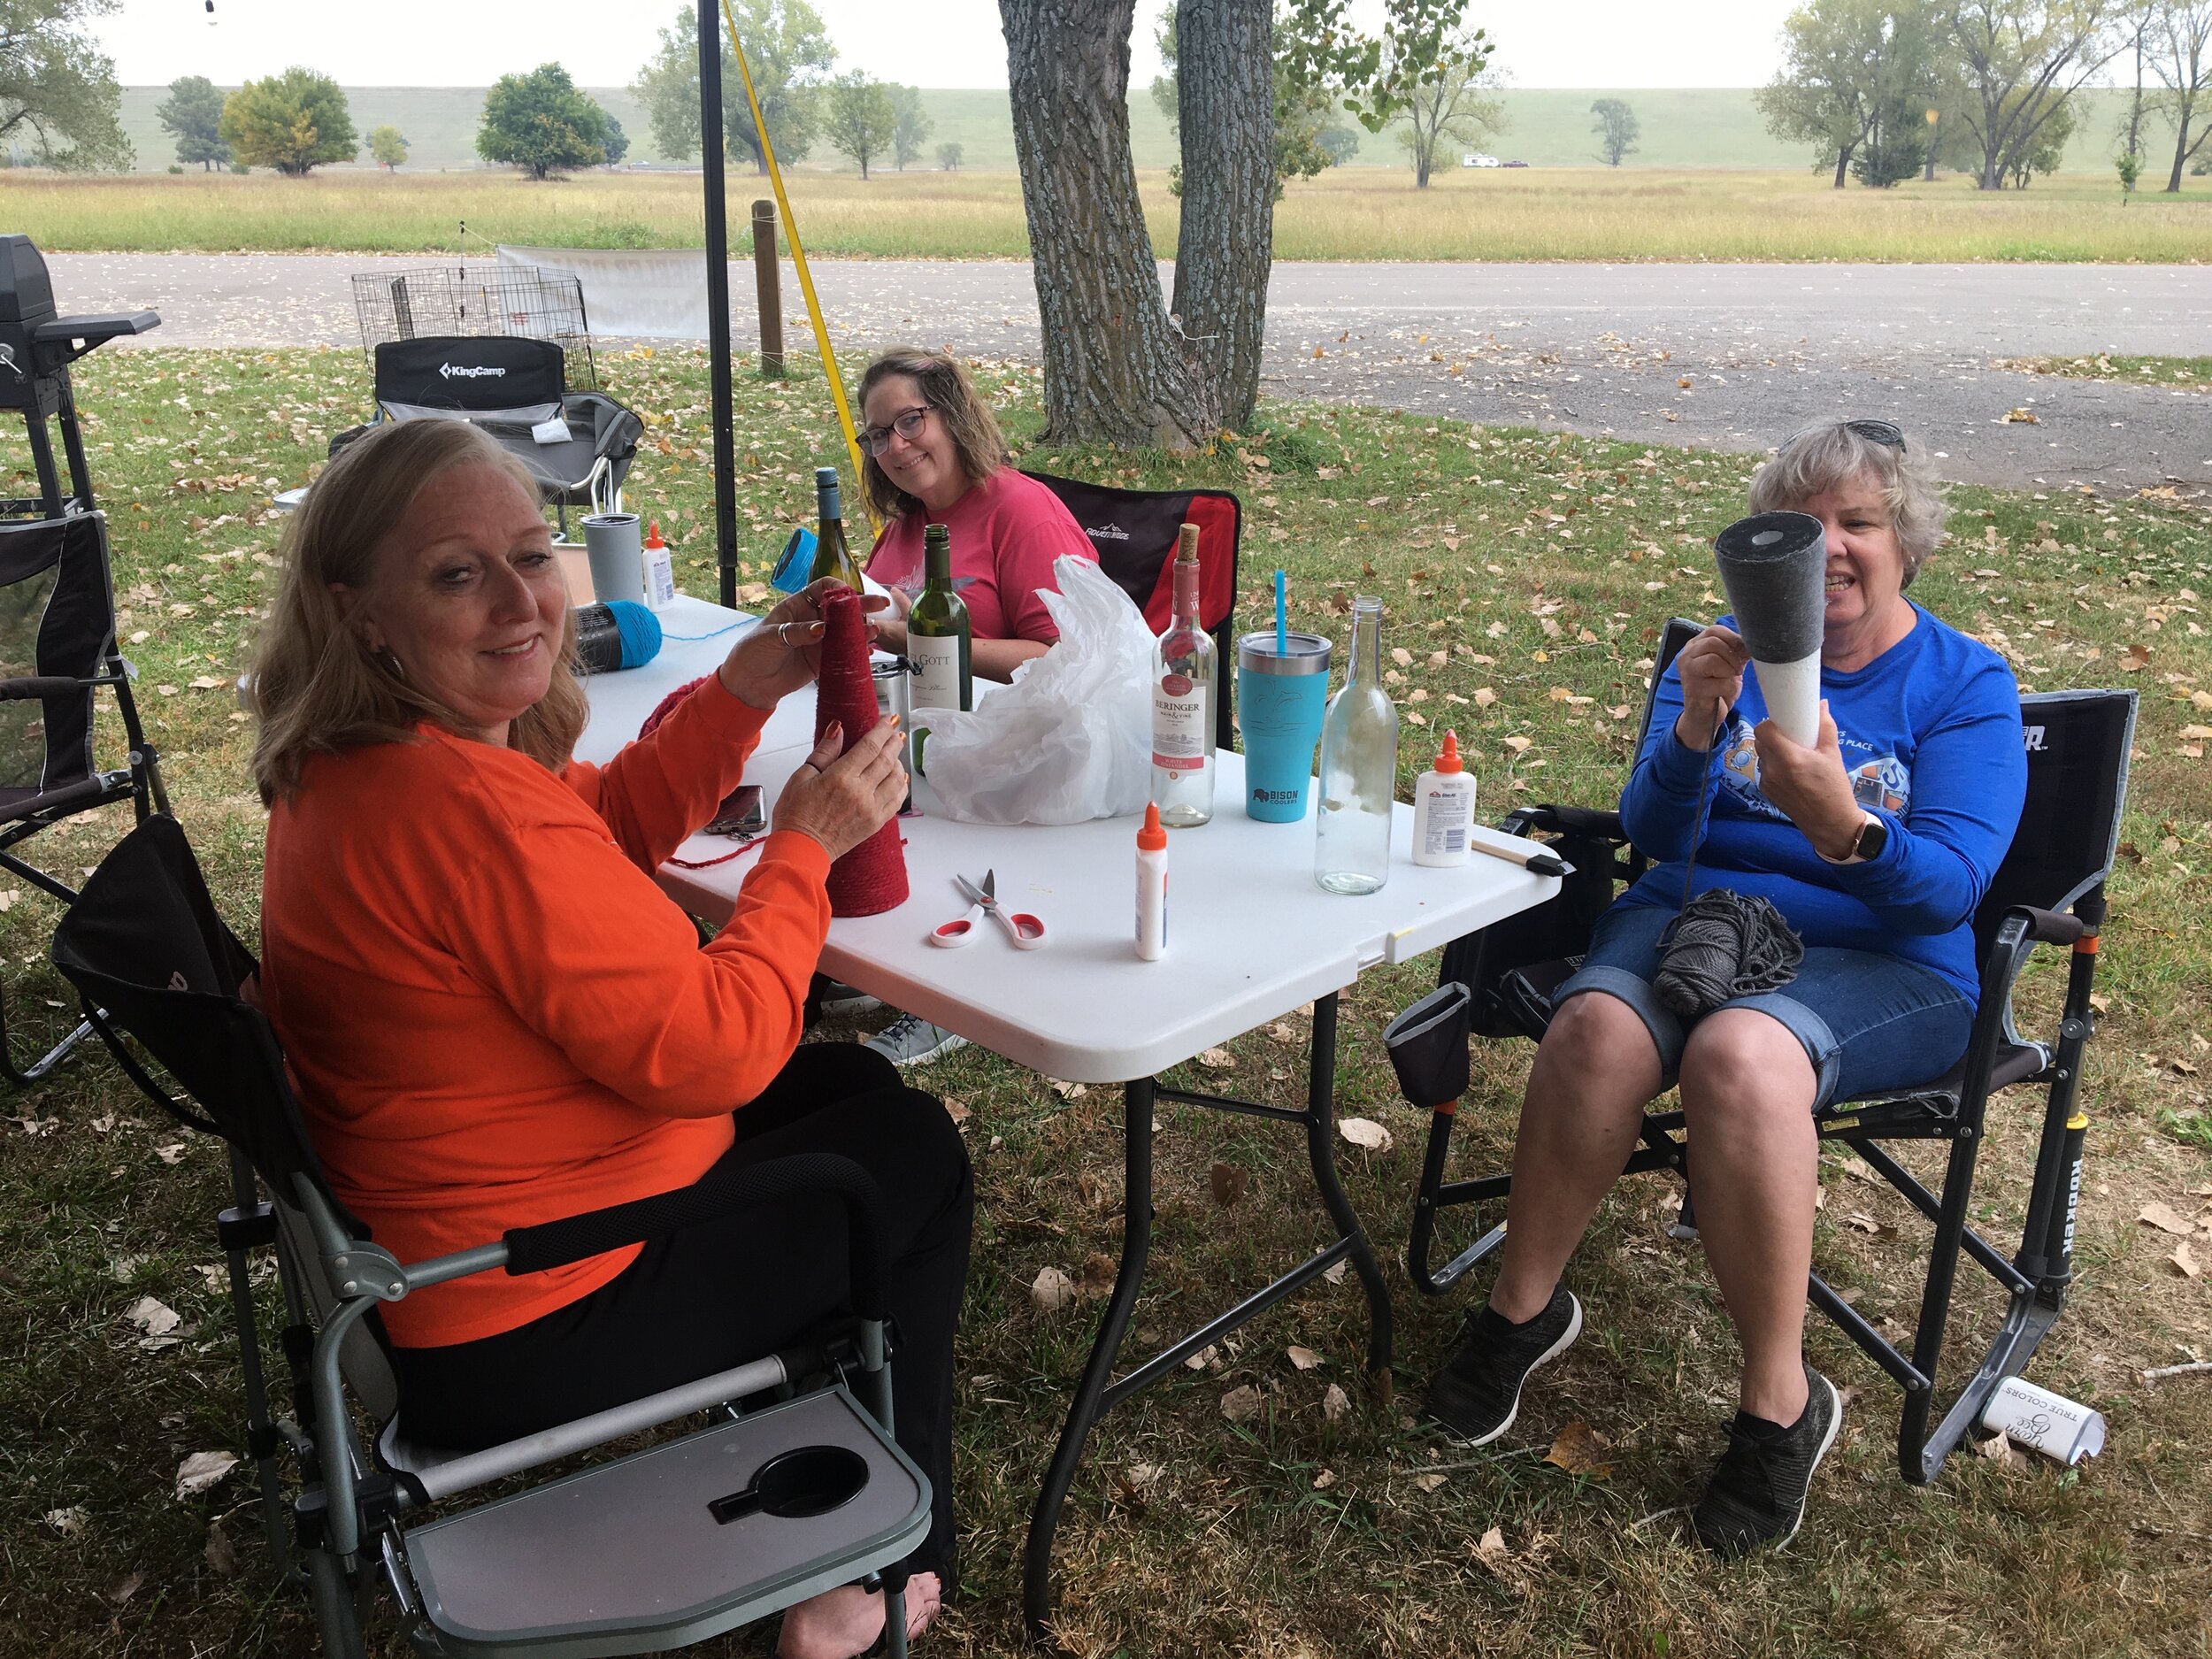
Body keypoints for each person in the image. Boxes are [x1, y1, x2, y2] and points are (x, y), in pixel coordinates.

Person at [250, 419, 971, 1659]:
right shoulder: (462, 816)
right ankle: (867, 1569)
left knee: (851, 1084)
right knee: (908, 1159)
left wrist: (741, 687)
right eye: (455, 573)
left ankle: (822, 1449)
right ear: (360, 610)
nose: (521, 600)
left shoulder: (372, 760)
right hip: (527, 1318)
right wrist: (803, 844)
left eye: (531, 555)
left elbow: (612, 820)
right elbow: (724, 1047)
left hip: (453, 1259)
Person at [1425, 418, 2026, 1556]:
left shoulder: (1964, 684)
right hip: (1699, 920)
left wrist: (1845, 829)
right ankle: (1522, 1311)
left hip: (1890, 959)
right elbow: (1651, 834)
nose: (1833, 550)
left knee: (1740, 1056)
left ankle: (1779, 1406)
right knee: (1595, 1025)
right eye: (1806, 530)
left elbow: (1947, 889)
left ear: (1906, 544)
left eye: (1860, 524)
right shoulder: (1722, 655)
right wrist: (1697, 723)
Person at [841, 346, 1100, 1067]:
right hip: (918, 737)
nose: (895, 446)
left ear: (951, 416)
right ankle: (868, 959)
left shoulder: (1020, 509)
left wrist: (917, 635)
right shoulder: (906, 524)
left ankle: (947, 993)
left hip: (1016, 752)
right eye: (877, 434)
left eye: (910, 421)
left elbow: (1070, 656)